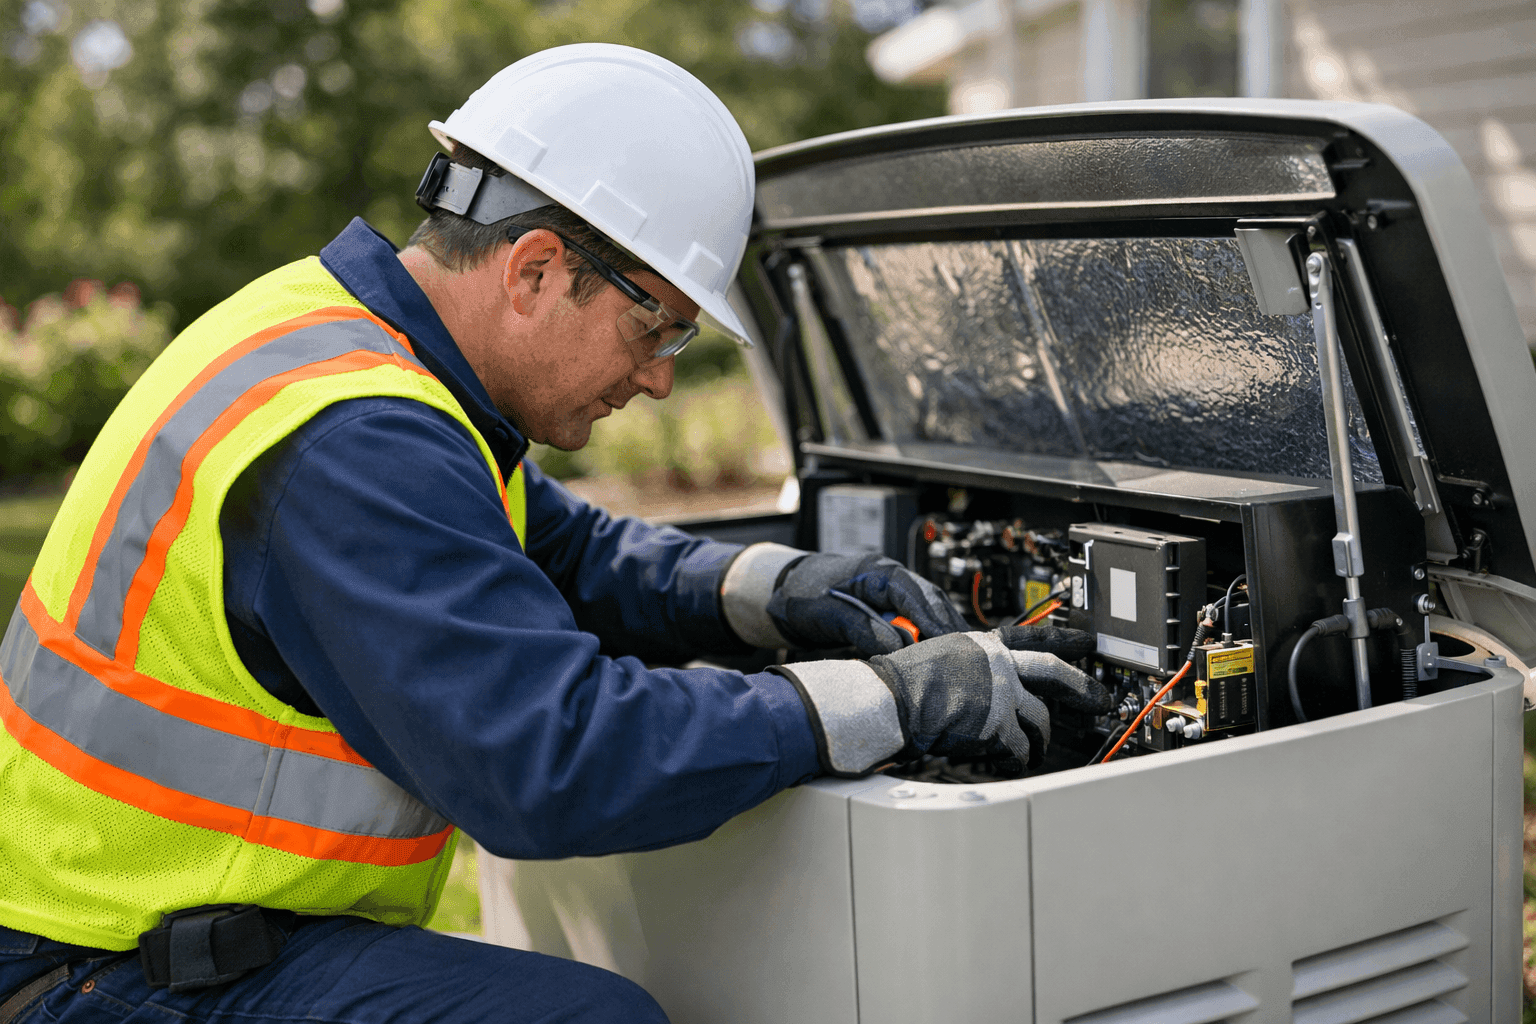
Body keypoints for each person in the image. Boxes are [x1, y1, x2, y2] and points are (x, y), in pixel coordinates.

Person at [0, 44, 1106, 1024]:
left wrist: (777, 585)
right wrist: (883, 700)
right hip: (103, 975)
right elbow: (549, 756)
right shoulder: (357, 442)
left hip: (167, 927)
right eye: (654, 323)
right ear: (533, 271)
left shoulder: (353, 348)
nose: (664, 379)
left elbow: (568, 551)